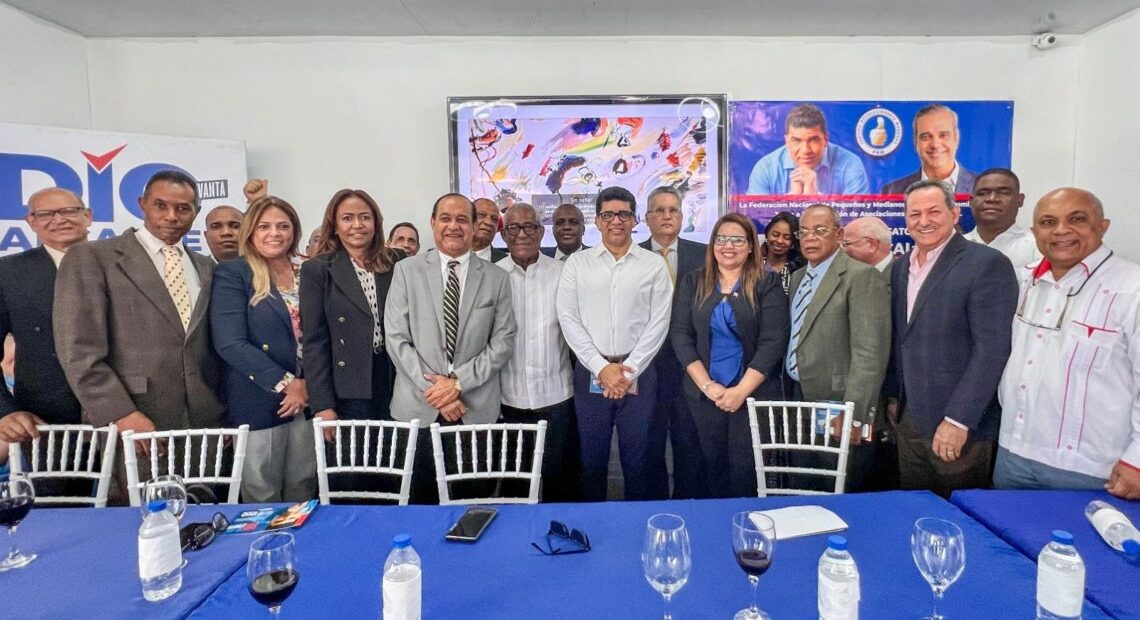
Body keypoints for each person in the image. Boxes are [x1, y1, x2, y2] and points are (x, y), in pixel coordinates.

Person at [54, 170, 225, 500]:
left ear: (196, 212)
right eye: (161, 205)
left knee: (201, 513)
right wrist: (120, 413)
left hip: (203, 423)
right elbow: (78, 350)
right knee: (140, 519)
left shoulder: (206, 267)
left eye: (183, 208)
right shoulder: (92, 257)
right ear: (141, 204)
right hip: (135, 418)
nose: (172, 216)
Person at [994, 188, 1140, 500]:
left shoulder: (1132, 288)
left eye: (1077, 219)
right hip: (1012, 454)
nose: (1061, 230)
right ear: (1035, 232)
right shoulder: (1022, 281)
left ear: (1103, 226)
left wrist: (1137, 460)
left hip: (1093, 469)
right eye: (1048, 222)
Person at [884, 179, 1018, 497]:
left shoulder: (986, 264)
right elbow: (902, 338)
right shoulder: (901, 268)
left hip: (958, 426)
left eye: (933, 211)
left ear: (954, 214)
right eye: (915, 214)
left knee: (958, 515)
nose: (924, 221)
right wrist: (893, 398)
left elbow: (993, 350)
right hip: (908, 420)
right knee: (916, 509)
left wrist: (959, 420)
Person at [384, 193, 516, 503]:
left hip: (474, 409)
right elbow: (396, 338)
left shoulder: (497, 278)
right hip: (418, 408)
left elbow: (503, 340)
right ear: (433, 223)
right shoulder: (406, 271)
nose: (453, 226)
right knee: (420, 503)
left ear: (474, 226)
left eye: (462, 220)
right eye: (445, 218)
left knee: (474, 503)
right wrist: (438, 393)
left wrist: (457, 384)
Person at [557, 186, 673, 501]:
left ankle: (635, 524)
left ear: (635, 220)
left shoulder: (653, 265)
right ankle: (592, 527)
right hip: (591, 373)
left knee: (638, 462)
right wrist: (602, 368)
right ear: (597, 221)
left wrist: (627, 370)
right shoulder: (577, 264)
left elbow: (659, 323)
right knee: (592, 461)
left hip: (639, 374)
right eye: (608, 215)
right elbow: (568, 320)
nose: (616, 221)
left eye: (623, 214)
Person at [670, 213, 789, 497]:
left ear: (750, 246)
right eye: (722, 239)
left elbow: (773, 341)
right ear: (712, 244)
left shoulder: (767, 283)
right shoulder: (693, 281)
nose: (728, 246)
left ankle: (744, 523)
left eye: (737, 239)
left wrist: (740, 392)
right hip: (704, 395)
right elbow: (681, 335)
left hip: (752, 395)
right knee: (709, 470)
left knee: (744, 471)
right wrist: (708, 386)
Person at [210, 196, 315, 502]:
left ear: (294, 230)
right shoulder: (234, 272)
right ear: (251, 231)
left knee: (303, 487)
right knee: (261, 492)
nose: (274, 233)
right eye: (264, 226)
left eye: (283, 226)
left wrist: (308, 384)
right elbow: (230, 342)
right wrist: (288, 384)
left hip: (310, 396)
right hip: (260, 397)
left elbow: (324, 335)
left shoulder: (308, 271)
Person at [783, 204, 891, 491]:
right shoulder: (797, 278)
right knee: (803, 482)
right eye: (804, 231)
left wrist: (854, 412)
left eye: (820, 230)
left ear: (839, 234)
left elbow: (870, 354)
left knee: (840, 487)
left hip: (839, 403)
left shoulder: (861, 276)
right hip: (799, 397)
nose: (810, 238)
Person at [0, 189, 91, 490]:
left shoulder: (119, 265)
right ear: (31, 221)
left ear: (87, 216)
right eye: (46, 214)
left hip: (126, 418)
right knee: (59, 511)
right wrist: (6, 412)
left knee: (136, 507)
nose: (59, 219)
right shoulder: (8, 273)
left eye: (69, 211)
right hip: (46, 424)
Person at [495, 203, 579, 502]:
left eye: (529, 227)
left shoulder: (563, 273)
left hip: (557, 395)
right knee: (514, 485)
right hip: (508, 398)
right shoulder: (492, 275)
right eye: (513, 228)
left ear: (541, 232)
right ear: (503, 235)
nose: (522, 234)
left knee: (560, 483)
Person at [301, 190, 405, 427]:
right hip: (347, 382)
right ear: (335, 226)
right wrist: (323, 404)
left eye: (365, 217)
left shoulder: (397, 260)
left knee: (397, 448)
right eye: (347, 218)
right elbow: (314, 342)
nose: (357, 225)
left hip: (394, 374)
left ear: (375, 223)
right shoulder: (317, 269)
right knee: (356, 449)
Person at [638, 187, 707, 498]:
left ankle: (687, 506)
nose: (667, 216)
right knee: (648, 443)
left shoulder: (704, 255)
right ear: (647, 218)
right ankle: (652, 508)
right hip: (647, 366)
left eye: (673, 210)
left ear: (682, 216)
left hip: (691, 366)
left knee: (689, 443)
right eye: (659, 210)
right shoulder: (631, 254)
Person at [747, 103, 869, 196]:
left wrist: (815, 198)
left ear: (825, 139)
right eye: (796, 140)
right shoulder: (765, 168)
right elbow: (757, 217)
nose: (805, 150)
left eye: (813, 140)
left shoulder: (850, 164)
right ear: (787, 141)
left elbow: (858, 217)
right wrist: (792, 200)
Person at [881, 104, 977, 194]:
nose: (935, 145)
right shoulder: (892, 191)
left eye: (943, 135)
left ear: (956, 138)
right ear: (915, 142)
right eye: (926, 137)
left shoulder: (980, 187)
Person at [963, 168, 1041, 269]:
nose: (992, 199)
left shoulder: (1037, 247)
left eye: (1004, 192)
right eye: (982, 193)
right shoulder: (954, 246)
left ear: (1020, 200)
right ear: (971, 201)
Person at [759, 212, 806, 293]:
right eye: (775, 235)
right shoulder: (752, 264)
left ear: (793, 241)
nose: (780, 241)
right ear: (767, 234)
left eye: (787, 238)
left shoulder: (801, 270)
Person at [471, 198, 507, 263]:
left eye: (494, 219)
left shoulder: (507, 264)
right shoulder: (451, 255)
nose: (489, 222)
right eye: (482, 215)